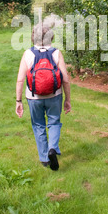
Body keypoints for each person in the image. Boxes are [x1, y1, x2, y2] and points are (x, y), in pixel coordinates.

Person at [15, 23, 71, 170]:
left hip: (34, 97)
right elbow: (65, 79)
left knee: (38, 125)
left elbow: (20, 79)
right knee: (54, 122)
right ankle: (52, 148)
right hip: (55, 95)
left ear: (33, 37)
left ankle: (45, 158)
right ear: (50, 36)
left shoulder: (28, 53)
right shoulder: (56, 53)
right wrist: (68, 100)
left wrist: (18, 100)